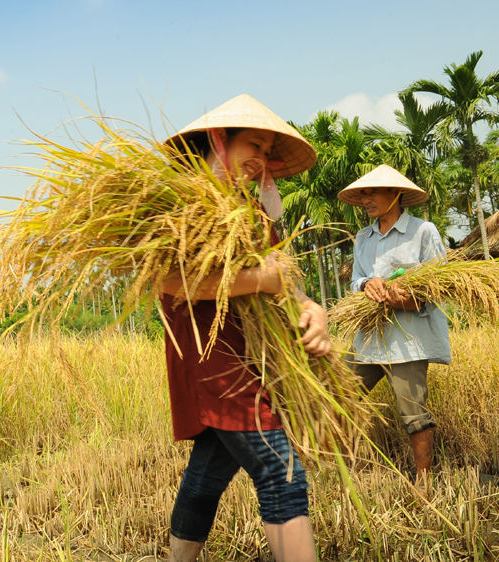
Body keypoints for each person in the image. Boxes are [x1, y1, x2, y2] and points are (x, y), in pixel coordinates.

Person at [159, 94, 328, 562]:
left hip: (254, 359)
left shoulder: (252, 213)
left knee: (207, 475)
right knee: (282, 472)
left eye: (267, 150)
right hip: (213, 359)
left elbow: (286, 281)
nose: (261, 159)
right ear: (220, 139)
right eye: (253, 144)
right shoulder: (183, 205)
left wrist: (313, 309)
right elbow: (168, 281)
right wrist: (259, 279)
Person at [339, 164, 450, 491]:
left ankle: (423, 484)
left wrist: (404, 299)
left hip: (408, 341)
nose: (366, 199)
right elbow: (357, 280)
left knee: (414, 414)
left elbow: (437, 287)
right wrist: (367, 284)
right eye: (363, 193)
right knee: (338, 395)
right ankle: (351, 470)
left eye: (373, 192)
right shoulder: (363, 237)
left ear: (395, 194)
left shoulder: (423, 231)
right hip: (369, 339)